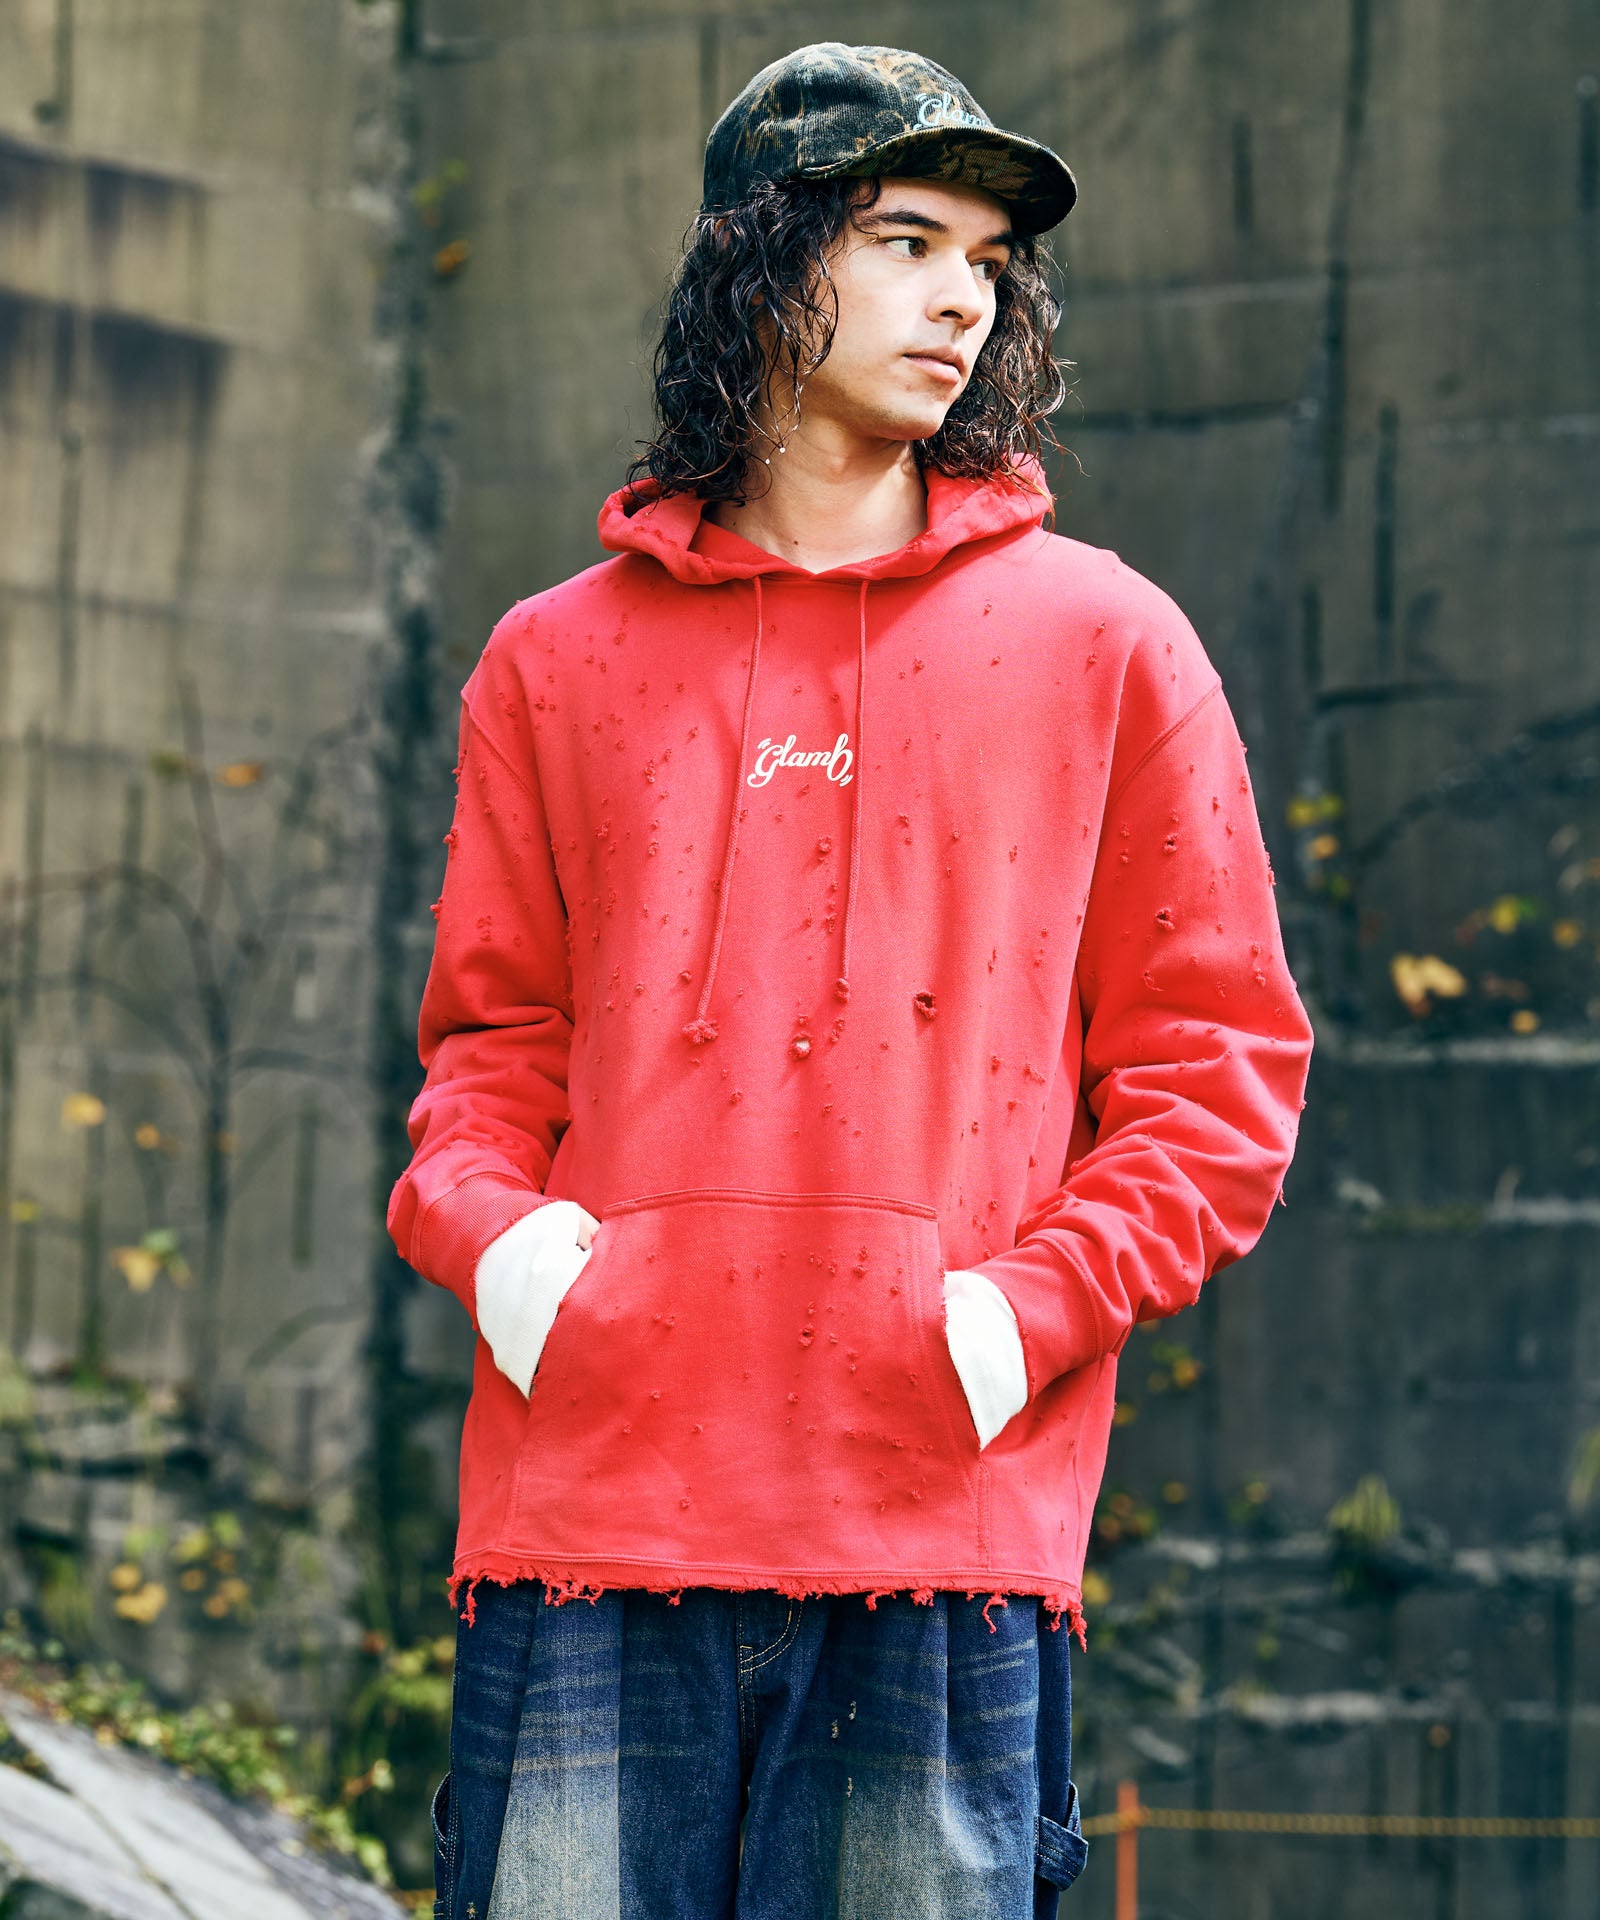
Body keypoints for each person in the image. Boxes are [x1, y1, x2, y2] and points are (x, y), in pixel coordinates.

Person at [388, 40, 1314, 1920]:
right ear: (760, 255)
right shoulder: (551, 661)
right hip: (593, 1521)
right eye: (904, 239)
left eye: (988, 260)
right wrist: (512, 1259)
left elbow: (1218, 1079)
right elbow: (489, 1050)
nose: (963, 296)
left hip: (938, 1529)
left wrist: (1013, 1320)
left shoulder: (1107, 645)